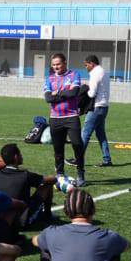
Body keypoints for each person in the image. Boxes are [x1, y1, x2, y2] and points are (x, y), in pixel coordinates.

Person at [43, 52, 85, 185]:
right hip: (55, 118)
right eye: (54, 65)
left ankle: (80, 173)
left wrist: (57, 93)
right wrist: (63, 94)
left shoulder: (74, 75)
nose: (56, 67)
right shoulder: (49, 79)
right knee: (58, 148)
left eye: (58, 64)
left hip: (71, 116)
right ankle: (60, 174)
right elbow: (48, 98)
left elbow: (74, 92)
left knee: (77, 145)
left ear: (65, 63)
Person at [0, 143, 56, 226]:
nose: (21, 156)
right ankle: (47, 215)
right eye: (20, 154)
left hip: (1, 219)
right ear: (16, 157)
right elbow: (51, 180)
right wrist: (57, 178)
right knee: (47, 185)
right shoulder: (25, 175)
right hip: (21, 220)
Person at [80, 54, 113, 167]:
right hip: (104, 107)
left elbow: (92, 93)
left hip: (96, 107)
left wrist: (84, 89)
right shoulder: (104, 71)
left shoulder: (94, 73)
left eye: (86, 65)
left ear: (91, 64)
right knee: (101, 135)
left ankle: (78, 158)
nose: (86, 67)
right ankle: (107, 159)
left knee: (85, 133)